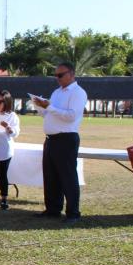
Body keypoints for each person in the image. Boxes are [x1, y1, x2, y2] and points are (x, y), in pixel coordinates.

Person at [31, 62, 88, 224]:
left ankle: (73, 213)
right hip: (51, 139)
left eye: (60, 75)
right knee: (51, 176)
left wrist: (49, 107)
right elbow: (48, 114)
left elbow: (71, 116)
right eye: (56, 75)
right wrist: (40, 107)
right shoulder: (57, 92)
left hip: (66, 139)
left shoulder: (78, 93)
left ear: (71, 74)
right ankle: (53, 209)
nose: (58, 78)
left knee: (68, 177)